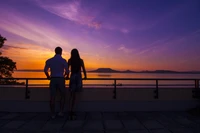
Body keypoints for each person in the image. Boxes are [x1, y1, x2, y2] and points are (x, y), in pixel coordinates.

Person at [44, 47, 69, 119]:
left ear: (55, 51)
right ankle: (61, 111)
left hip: (53, 79)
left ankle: (52, 114)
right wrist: (65, 75)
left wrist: (48, 77)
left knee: (52, 97)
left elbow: (45, 70)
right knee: (63, 96)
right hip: (61, 79)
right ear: (61, 52)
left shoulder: (49, 60)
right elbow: (67, 71)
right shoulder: (63, 60)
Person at [66, 48, 87, 120]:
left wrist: (67, 76)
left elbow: (67, 70)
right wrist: (85, 76)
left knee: (72, 95)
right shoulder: (80, 60)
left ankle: (70, 110)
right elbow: (83, 69)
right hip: (78, 77)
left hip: (72, 77)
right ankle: (73, 110)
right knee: (76, 95)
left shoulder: (70, 60)